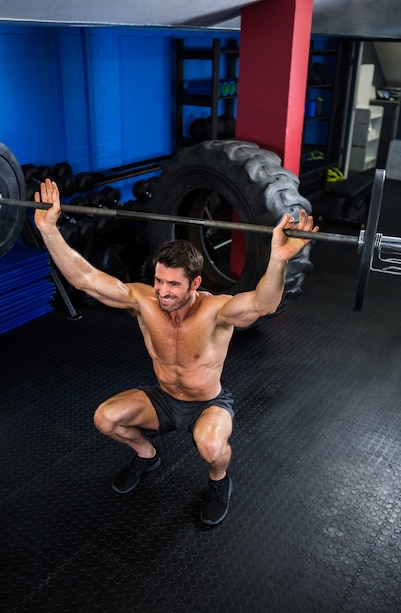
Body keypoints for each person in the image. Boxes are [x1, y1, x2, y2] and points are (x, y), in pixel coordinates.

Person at [34, 178, 318, 526]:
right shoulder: (144, 300)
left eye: (173, 284)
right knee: (105, 418)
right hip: (164, 400)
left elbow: (264, 304)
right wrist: (49, 231)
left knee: (211, 448)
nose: (163, 292)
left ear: (195, 283)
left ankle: (219, 481)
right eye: (159, 281)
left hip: (208, 404)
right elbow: (86, 279)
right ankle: (146, 454)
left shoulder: (217, 312)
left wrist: (278, 259)